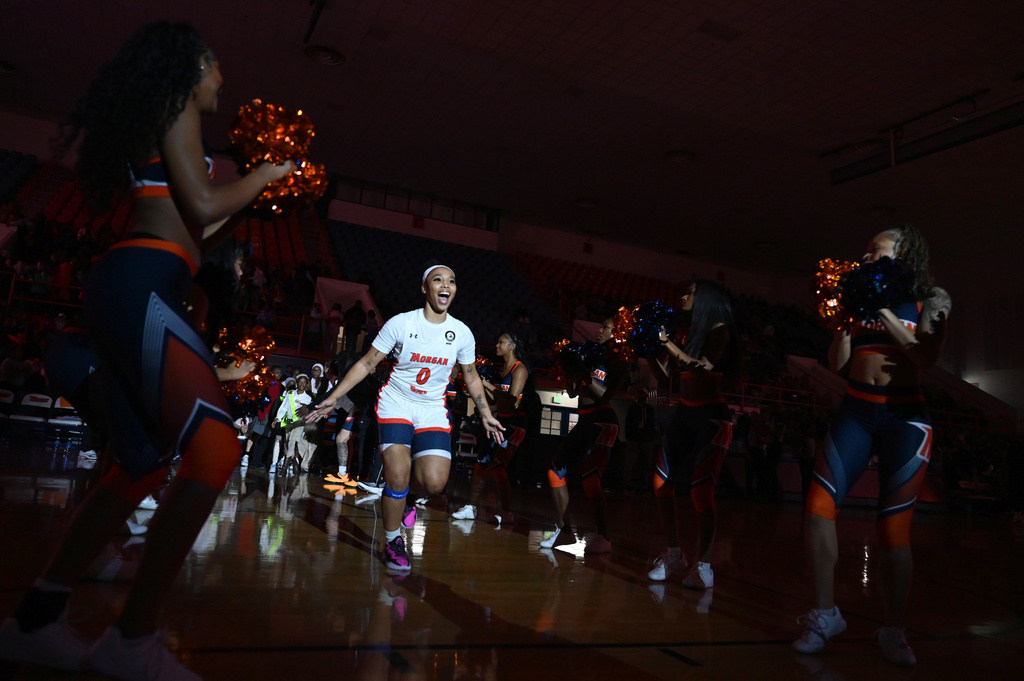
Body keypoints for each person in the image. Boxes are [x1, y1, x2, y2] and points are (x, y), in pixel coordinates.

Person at [0, 21, 294, 680]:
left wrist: (257, 196)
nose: (221, 80)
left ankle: (34, 622)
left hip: (145, 276)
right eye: (216, 66)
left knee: (140, 465)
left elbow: (205, 227)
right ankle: (131, 641)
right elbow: (201, 198)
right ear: (192, 67)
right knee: (216, 450)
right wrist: (266, 172)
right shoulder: (175, 105)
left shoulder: (168, 118)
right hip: (142, 280)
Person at [792, 225, 950, 667]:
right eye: (863, 253)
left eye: (874, 252)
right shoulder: (855, 299)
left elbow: (925, 356)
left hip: (906, 418)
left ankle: (893, 630)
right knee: (818, 506)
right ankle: (825, 615)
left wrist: (881, 309)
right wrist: (845, 320)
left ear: (903, 255)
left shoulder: (933, 297)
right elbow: (838, 364)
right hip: (856, 410)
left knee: (893, 529)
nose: (864, 260)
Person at [307, 265, 504, 571]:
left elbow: (472, 377)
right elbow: (366, 364)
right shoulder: (401, 323)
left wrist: (486, 413)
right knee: (397, 475)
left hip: (431, 409)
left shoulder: (461, 332)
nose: (446, 285)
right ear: (424, 288)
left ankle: (409, 498)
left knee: (435, 482)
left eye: (451, 281)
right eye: (438, 279)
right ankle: (392, 540)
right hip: (396, 403)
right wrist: (333, 396)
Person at [645, 280, 740, 591]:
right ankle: (674, 554)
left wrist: (668, 344)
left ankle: (705, 566)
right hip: (684, 413)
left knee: (701, 493)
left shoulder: (721, 330)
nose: (683, 296)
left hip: (712, 417)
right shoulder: (691, 333)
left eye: (690, 292)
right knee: (660, 480)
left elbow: (700, 368)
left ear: (707, 299)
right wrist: (650, 351)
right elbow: (669, 376)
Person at [539, 317, 626, 554]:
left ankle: (604, 537)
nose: (600, 331)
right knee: (555, 470)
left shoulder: (617, 361)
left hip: (604, 421)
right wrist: (570, 370)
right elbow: (572, 391)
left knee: (590, 478)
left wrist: (585, 374)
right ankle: (565, 530)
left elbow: (604, 395)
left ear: (618, 333)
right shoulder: (589, 356)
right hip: (584, 418)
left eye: (605, 328)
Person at [452, 332, 529, 524]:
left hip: (514, 425)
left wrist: (488, 385)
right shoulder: (502, 369)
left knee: (497, 466)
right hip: (499, 421)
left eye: (501, 341)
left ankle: (507, 513)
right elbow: (497, 401)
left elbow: (511, 401)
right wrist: (481, 389)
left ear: (512, 346)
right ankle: (472, 507)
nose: (497, 344)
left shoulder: (520, 370)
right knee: (481, 462)